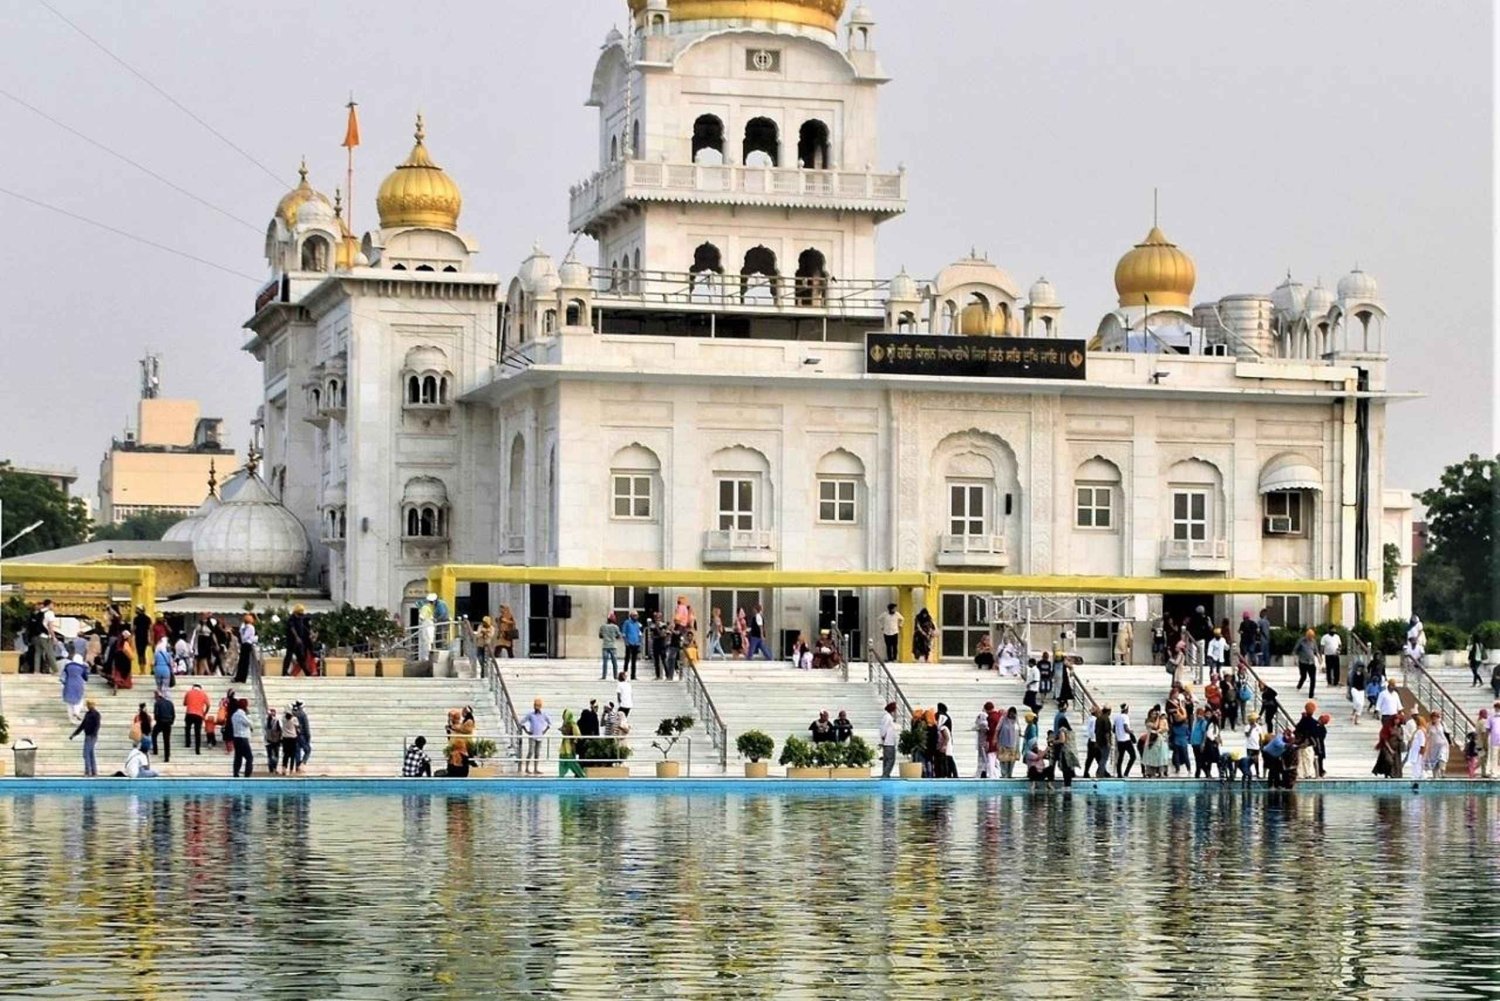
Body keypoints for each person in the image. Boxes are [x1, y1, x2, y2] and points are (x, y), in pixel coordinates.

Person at [69, 700, 102, 776]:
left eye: (89, 705)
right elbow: (82, 726)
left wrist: (93, 734)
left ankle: (88, 771)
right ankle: (94, 772)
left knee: (86, 753)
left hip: (91, 736)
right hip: (88, 736)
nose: (88, 706)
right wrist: (74, 734)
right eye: (88, 705)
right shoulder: (87, 714)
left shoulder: (96, 714)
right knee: (91, 753)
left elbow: (97, 725)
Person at [60, 642, 89, 723]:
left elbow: (63, 676)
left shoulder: (67, 666)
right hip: (79, 683)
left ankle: (70, 717)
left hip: (69, 683)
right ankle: (76, 712)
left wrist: (63, 683)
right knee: (79, 699)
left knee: (69, 702)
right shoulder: (83, 667)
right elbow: (86, 677)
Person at [522, 699, 552, 776]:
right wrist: (526, 730)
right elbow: (522, 722)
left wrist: (544, 731)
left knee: (537, 753)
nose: (536, 707)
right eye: (535, 705)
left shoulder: (543, 714)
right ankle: (527, 767)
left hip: (539, 736)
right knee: (530, 752)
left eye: (538, 706)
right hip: (532, 735)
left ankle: (536, 768)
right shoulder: (531, 714)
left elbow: (549, 723)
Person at [558, 709, 585, 778]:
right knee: (562, 760)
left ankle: (581, 774)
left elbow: (578, 734)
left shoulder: (572, 723)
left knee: (572, 761)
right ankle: (561, 775)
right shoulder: (565, 723)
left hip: (570, 745)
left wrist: (575, 739)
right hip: (564, 745)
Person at [1112, 704, 1137, 777]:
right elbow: (1126, 728)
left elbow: (1113, 729)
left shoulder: (1116, 717)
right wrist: (1131, 732)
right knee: (1133, 756)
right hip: (1126, 740)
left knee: (1120, 757)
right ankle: (1126, 772)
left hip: (1119, 740)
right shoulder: (1125, 717)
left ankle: (1119, 773)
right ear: (1126, 709)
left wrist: (1119, 733)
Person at [183, 683, 208, 754]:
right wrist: (205, 713)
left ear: (193, 687)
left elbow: (184, 703)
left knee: (187, 728)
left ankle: (188, 743)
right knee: (197, 732)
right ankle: (197, 750)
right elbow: (208, 705)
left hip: (189, 713)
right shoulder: (203, 693)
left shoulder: (188, 692)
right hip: (199, 715)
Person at [230, 698, 253, 777]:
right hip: (243, 737)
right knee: (249, 757)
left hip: (236, 737)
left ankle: (236, 773)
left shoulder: (234, 715)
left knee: (238, 756)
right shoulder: (242, 714)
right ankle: (247, 774)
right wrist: (249, 715)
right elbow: (249, 723)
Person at [151, 690, 175, 762]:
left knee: (154, 735)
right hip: (168, 723)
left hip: (160, 722)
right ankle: (167, 756)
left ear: (158, 696)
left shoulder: (157, 703)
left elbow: (156, 714)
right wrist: (171, 722)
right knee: (167, 740)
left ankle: (155, 750)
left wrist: (158, 721)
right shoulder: (170, 703)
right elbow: (173, 714)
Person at [1425, 710, 1450, 779]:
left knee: (1442, 758)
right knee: (1434, 761)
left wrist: (1450, 741)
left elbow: (1447, 733)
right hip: (1433, 745)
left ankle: (1442, 773)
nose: (1434, 719)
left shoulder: (1442, 724)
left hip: (1442, 744)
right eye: (1433, 717)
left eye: (1436, 717)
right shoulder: (1428, 725)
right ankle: (1435, 776)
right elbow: (1427, 735)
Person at [997, 707, 1020, 778]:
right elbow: (997, 729)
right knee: (1004, 760)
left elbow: (1019, 730)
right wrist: (995, 738)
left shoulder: (1016, 720)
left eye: (1013, 713)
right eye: (1011, 713)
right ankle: (1004, 774)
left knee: (1011, 761)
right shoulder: (1003, 719)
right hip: (1004, 744)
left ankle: (1010, 774)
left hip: (1014, 745)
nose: (1012, 715)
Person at [878, 701, 899, 778]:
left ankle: (885, 774)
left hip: (888, 742)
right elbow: (884, 728)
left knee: (887, 760)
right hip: (888, 742)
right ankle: (885, 774)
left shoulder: (888, 717)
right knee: (890, 759)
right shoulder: (888, 717)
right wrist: (883, 737)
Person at [599, 613, 621, 681]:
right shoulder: (615, 627)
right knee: (614, 662)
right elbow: (618, 636)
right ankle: (615, 676)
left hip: (605, 646)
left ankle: (604, 676)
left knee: (605, 662)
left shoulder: (602, 626)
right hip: (613, 646)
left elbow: (600, 636)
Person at [235, 614, 257, 683]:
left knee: (244, 661)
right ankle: (240, 677)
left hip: (247, 644)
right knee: (242, 661)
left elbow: (244, 637)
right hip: (245, 644)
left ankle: (241, 677)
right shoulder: (245, 627)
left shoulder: (250, 627)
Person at [621, 610, 643, 679]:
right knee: (627, 660)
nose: (636, 617)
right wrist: (626, 642)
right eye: (634, 615)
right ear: (631, 616)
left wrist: (639, 642)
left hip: (636, 643)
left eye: (636, 615)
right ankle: (624, 675)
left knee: (634, 661)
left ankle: (633, 676)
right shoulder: (627, 623)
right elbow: (624, 633)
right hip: (629, 643)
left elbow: (639, 634)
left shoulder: (638, 624)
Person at [281, 706, 302, 774]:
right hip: (293, 738)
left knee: (286, 754)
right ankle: (291, 769)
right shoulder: (294, 719)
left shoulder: (283, 719)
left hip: (285, 738)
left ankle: (284, 768)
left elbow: (284, 714)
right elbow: (298, 726)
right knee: (292, 754)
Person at [1244, 712, 1266, 779]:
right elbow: (1247, 735)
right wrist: (1251, 728)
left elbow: (1260, 737)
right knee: (1249, 760)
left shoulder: (1258, 727)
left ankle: (1257, 773)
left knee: (1256, 761)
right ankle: (1248, 773)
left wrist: (1261, 746)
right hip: (1249, 747)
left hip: (1256, 747)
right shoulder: (1247, 727)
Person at [264, 706, 283, 775]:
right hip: (275, 741)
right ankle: (274, 768)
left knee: (269, 755)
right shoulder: (276, 720)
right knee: (276, 755)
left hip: (267, 741)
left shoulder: (266, 721)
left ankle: (271, 769)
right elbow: (280, 730)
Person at [293, 701, 312, 769]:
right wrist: (308, 737)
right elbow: (306, 727)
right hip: (302, 735)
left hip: (294, 736)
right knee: (308, 750)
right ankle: (302, 763)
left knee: (297, 752)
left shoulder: (293, 714)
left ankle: (297, 766)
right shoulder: (303, 715)